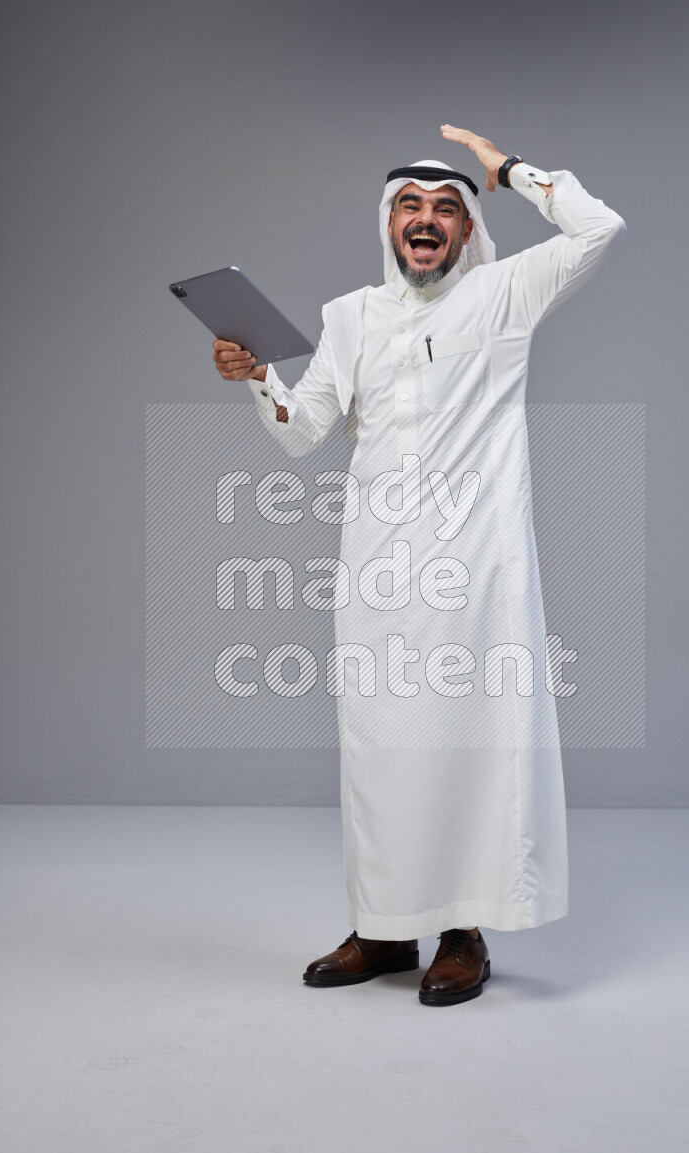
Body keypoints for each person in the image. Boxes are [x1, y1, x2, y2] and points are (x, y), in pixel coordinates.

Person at [213, 125, 626, 1006]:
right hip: (373, 564)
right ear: (389, 224)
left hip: (477, 567)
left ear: (471, 228)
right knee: (381, 745)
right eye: (411, 207)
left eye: (447, 208)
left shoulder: (507, 295)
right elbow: (299, 434)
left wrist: (511, 172)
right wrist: (255, 375)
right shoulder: (348, 316)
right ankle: (383, 929)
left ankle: (462, 934)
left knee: (469, 741)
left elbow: (599, 230)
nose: (427, 221)